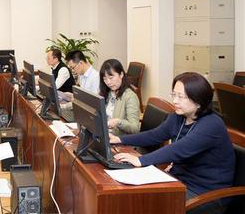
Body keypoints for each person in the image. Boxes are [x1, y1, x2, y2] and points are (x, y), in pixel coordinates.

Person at [111, 72, 235, 214]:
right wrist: (120, 139)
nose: (175, 101)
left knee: (144, 204)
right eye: (173, 95)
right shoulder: (179, 116)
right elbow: (155, 135)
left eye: (181, 97)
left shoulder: (211, 124)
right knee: (131, 197)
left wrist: (141, 160)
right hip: (178, 181)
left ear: (199, 101)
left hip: (206, 194)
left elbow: (179, 149)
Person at [99, 59, 140, 136]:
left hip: (119, 140)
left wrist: (119, 122)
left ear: (121, 74)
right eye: (105, 79)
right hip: (104, 134)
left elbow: (135, 128)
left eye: (111, 78)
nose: (108, 82)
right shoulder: (107, 93)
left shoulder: (130, 97)